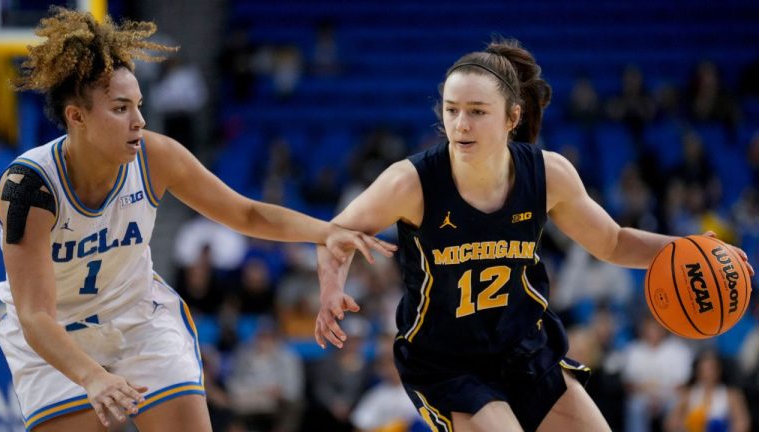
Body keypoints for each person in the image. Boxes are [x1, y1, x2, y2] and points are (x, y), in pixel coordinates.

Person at [314, 38, 754, 432]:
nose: (461, 124)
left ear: (512, 117)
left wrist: (695, 249)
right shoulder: (411, 182)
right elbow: (336, 234)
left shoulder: (548, 174)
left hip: (524, 347)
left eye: (477, 112)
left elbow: (614, 242)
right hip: (448, 363)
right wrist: (332, 287)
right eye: (451, 110)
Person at [0, 8, 395, 432]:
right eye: (120, 108)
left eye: (139, 105)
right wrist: (93, 376)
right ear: (77, 117)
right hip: (56, 337)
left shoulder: (154, 156)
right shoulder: (28, 187)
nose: (139, 121)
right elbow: (35, 314)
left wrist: (325, 231)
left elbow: (245, 211)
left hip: (136, 319)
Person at [665, 349, 750, 432]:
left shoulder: (732, 395)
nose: (708, 374)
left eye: (711, 369)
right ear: (697, 372)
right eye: (704, 370)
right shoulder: (688, 394)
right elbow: (671, 423)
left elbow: (743, 423)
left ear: (719, 370)